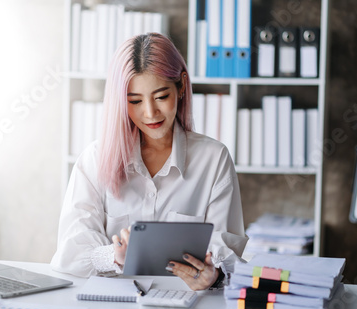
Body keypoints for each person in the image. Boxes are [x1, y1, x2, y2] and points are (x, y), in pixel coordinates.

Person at [51, 33, 248, 290]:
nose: (150, 112)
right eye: (134, 101)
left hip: (189, 306)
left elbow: (228, 257)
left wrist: (215, 276)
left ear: (181, 86)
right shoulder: (94, 159)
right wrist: (113, 256)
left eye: (161, 96)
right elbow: (68, 253)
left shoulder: (214, 159)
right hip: (113, 307)